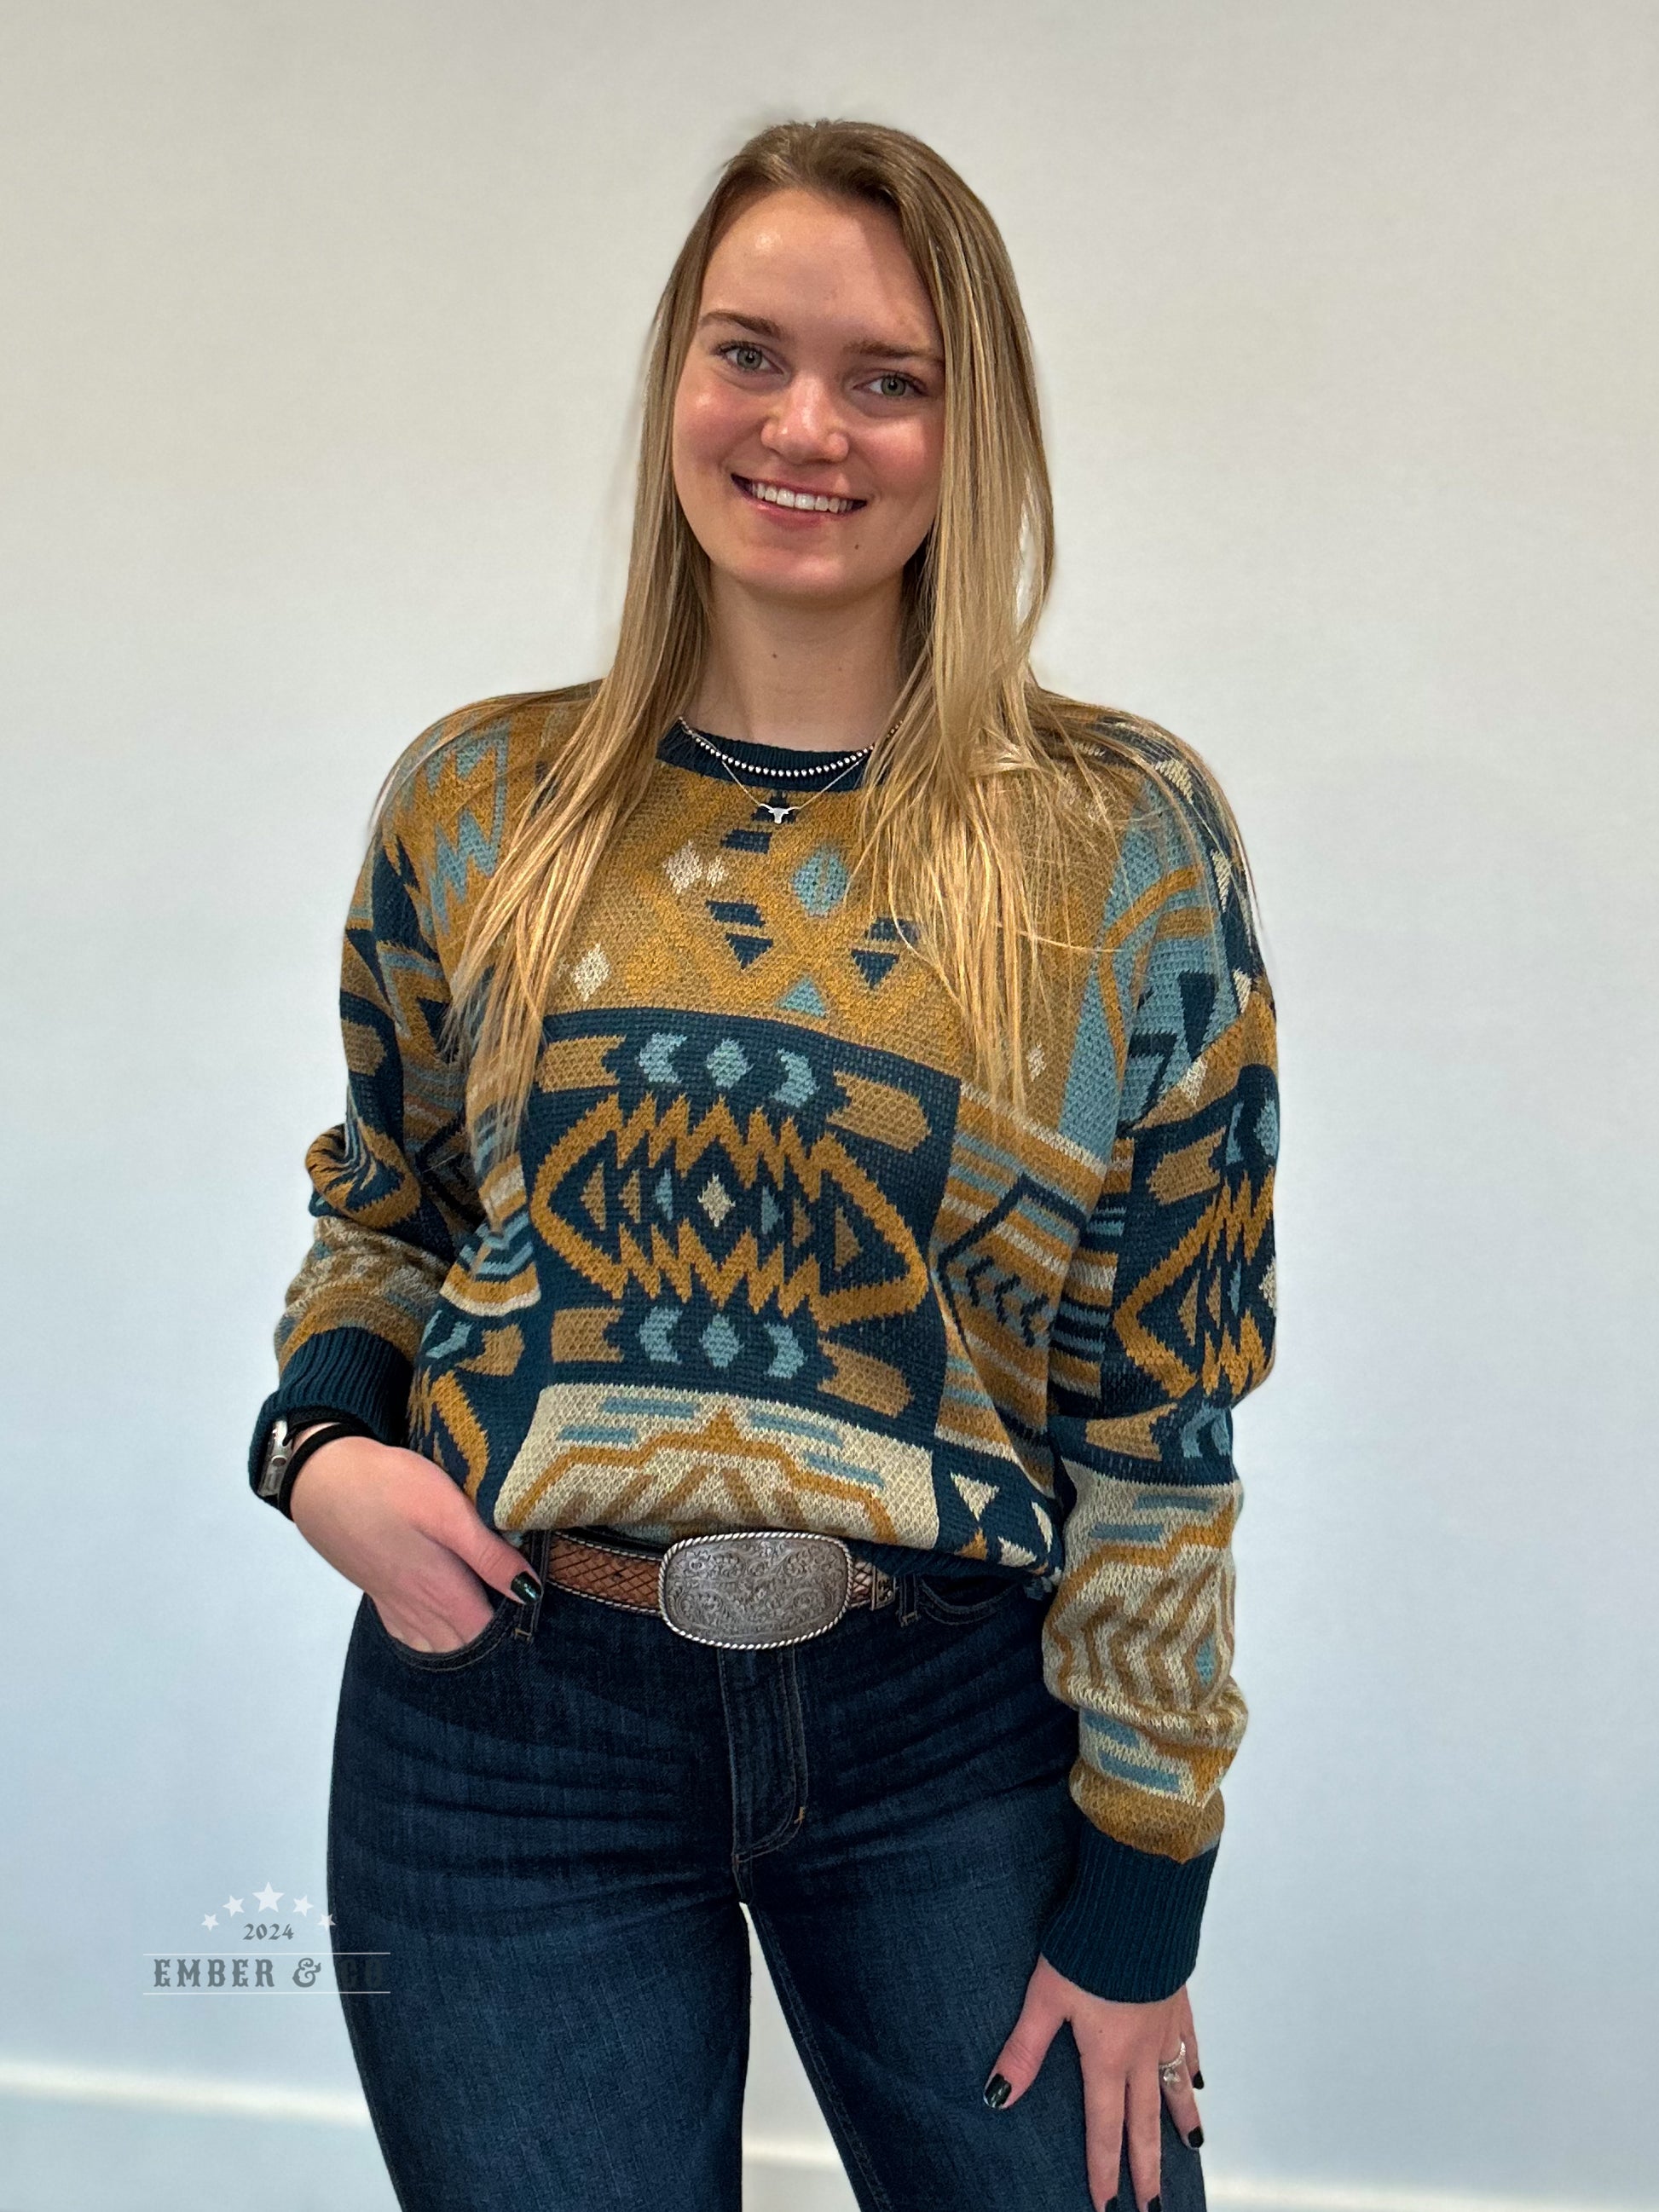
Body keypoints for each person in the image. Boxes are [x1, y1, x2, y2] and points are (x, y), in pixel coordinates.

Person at [247, 118, 1277, 2212]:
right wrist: (318, 1441)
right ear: (676, 381)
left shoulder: (1120, 843)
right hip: (506, 1725)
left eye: (887, 377)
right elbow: (388, 1208)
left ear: (971, 430)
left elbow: (1161, 1397)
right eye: (750, 354)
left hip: (952, 1722)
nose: (807, 427)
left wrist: (1144, 1884)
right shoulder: (482, 800)